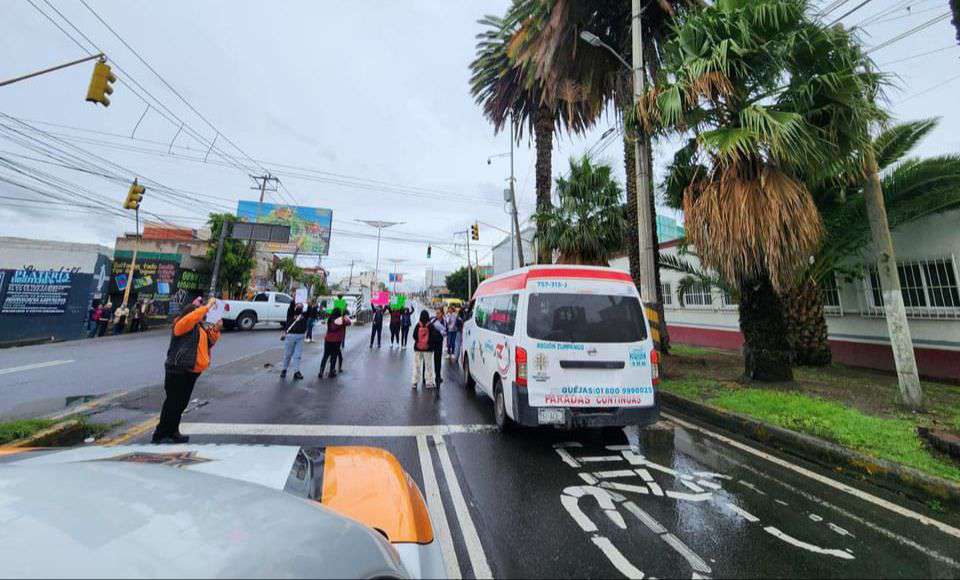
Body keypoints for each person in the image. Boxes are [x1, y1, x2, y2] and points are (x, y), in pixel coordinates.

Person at [152, 297, 221, 444]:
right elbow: (192, 317)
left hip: (192, 371)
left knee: (181, 404)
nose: (202, 316)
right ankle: (161, 433)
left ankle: (173, 431)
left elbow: (209, 342)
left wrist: (216, 329)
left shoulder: (199, 327)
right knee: (173, 403)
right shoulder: (181, 324)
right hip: (179, 369)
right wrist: (207, 306)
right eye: (198, 313)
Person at [412, 310, 441, 389]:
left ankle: (414, 382)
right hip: (428, 349)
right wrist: (428, 343)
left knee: (417, 365)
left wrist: (419, 342)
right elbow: (433, 337)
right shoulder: (430, 325)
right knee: (428, 365)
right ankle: (429, 382)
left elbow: (414, 335)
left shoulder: (418, 325)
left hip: (418, 348)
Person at [320, 308, 352, 378]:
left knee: (325, 356)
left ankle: (321, 372)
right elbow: (349, 322)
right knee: (334, 356)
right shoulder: (341, 320)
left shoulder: (330, 319)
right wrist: (345, 317)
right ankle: (331, 372)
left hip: (328, 339)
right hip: (336, 341)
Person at [280, 301, 308, 380]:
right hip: (290, 336)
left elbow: (311, 311)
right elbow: (291, 306)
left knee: (297, 355)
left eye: (301, 304)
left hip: (301, 337)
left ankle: (296, 371)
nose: (300, 304)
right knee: (288, 354)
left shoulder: (304, 314)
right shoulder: (291, 313)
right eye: (298, 304)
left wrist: (309, 303)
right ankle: (284, 370)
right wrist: (294, 299)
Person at [431, 307, 447, 385]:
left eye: (438, 313)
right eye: (436, 313)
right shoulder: (433, 320)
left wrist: (442, 332)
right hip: (431, 342)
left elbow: (446, 331)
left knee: (438, 360)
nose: (437, 314)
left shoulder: (444, 321)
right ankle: (425, 377)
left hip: (439, 343)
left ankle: (438, 376)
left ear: (442, 313)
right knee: (427, 360)